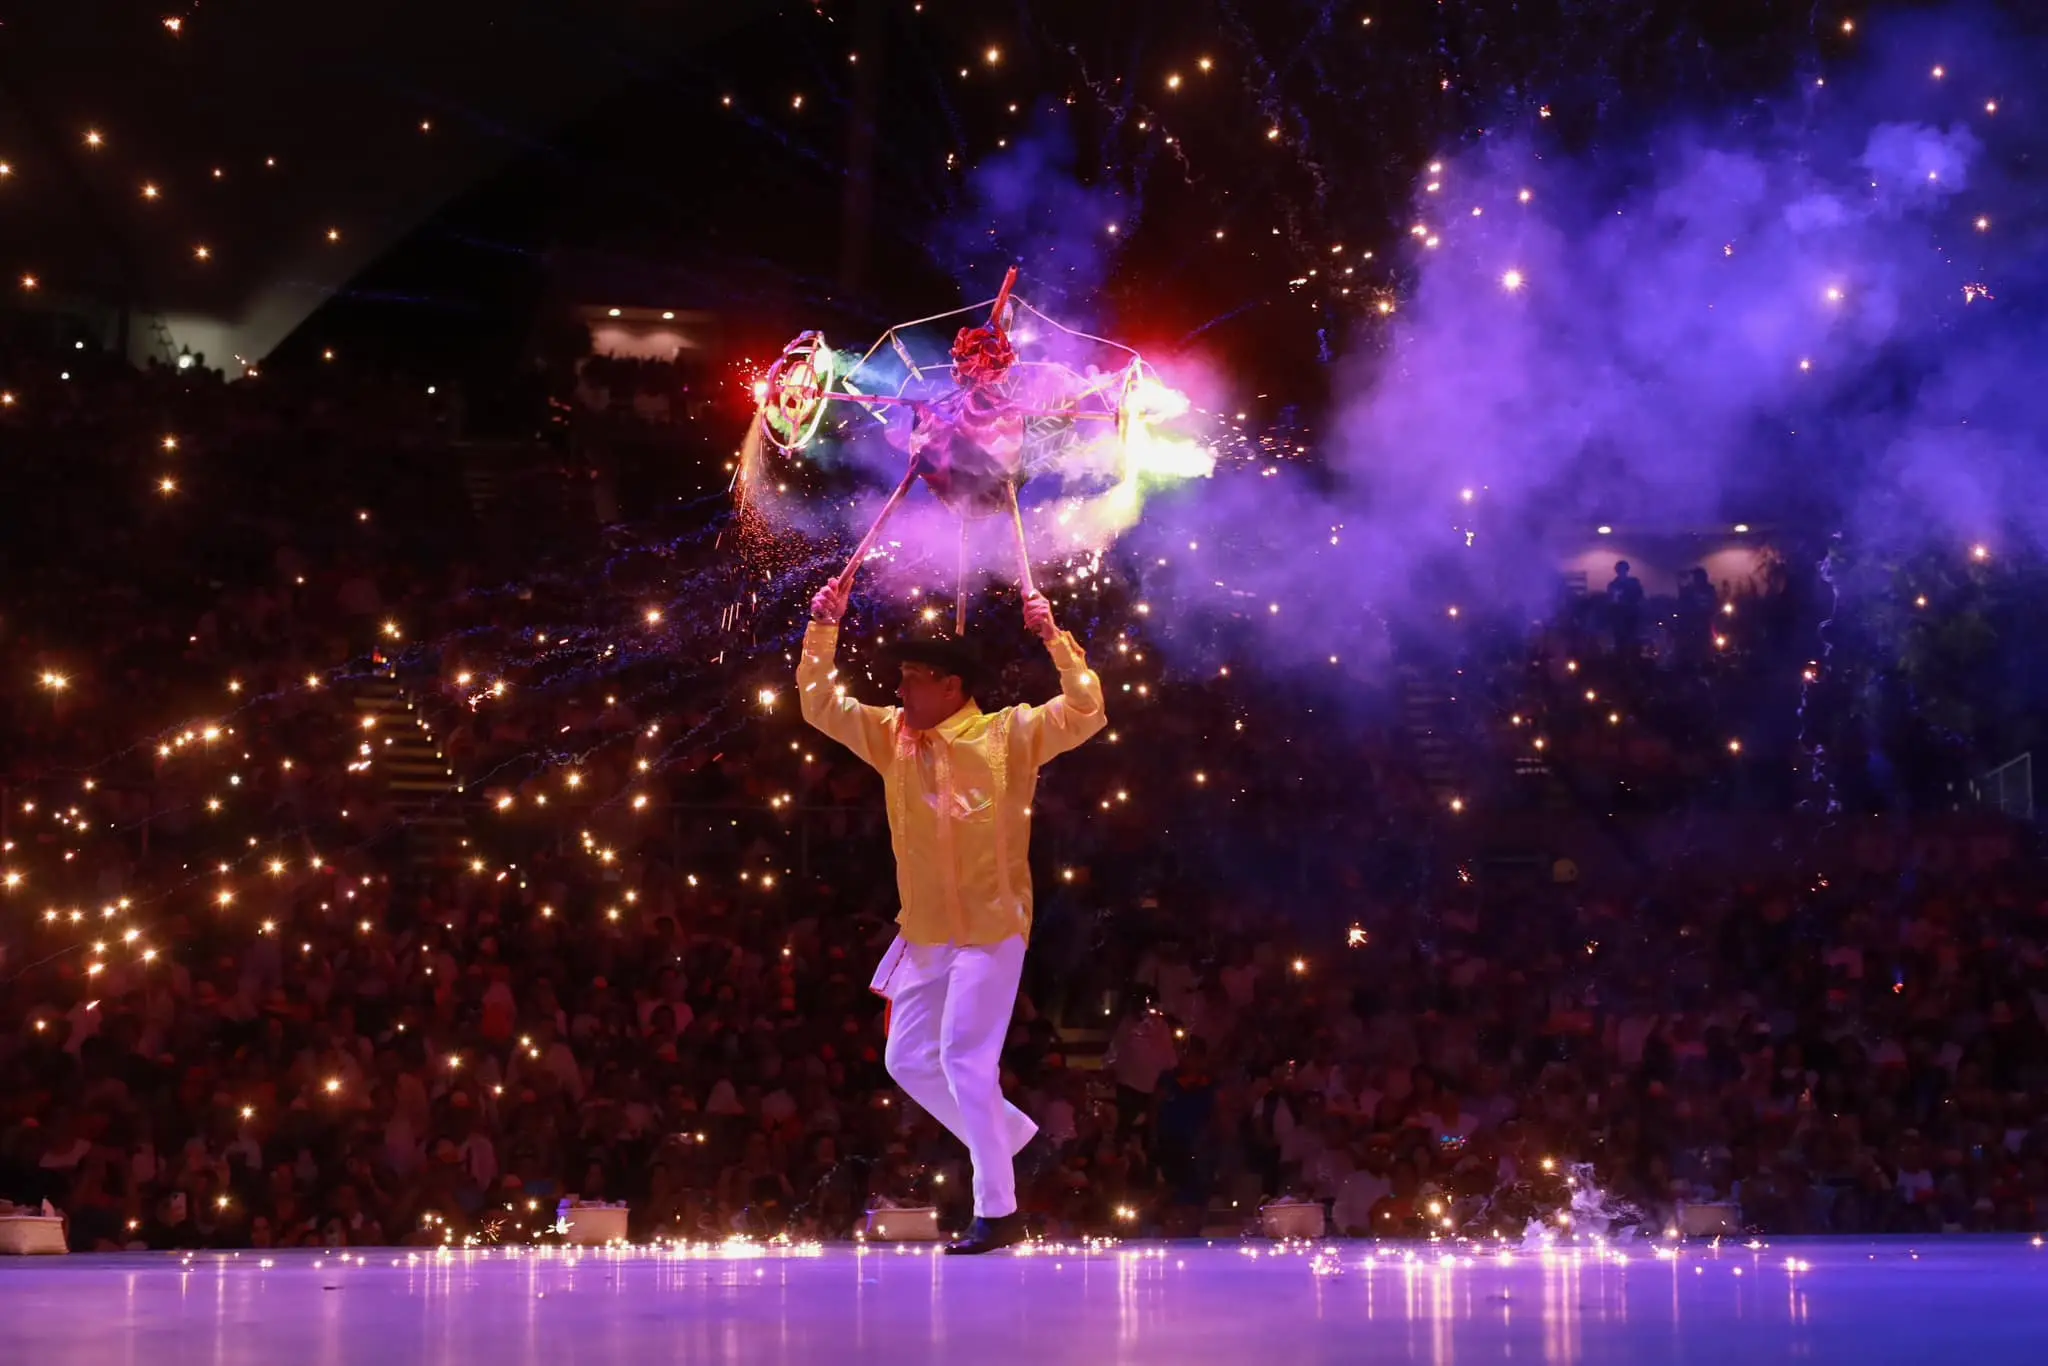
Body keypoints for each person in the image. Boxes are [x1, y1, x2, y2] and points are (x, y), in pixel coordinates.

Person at [799, 578, 1107, 1253]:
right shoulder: (892, 738)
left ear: (950, 687)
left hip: (993, 930)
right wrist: (824, 626)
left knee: (964, 1060)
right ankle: (1011, 1135)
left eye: (912, 681)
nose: (900, 693)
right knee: (906, 1059)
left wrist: (1054, 638)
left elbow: (1087, 710)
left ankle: (998, 1211)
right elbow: (818, 703)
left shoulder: (1010, 735)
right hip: (927, 934)